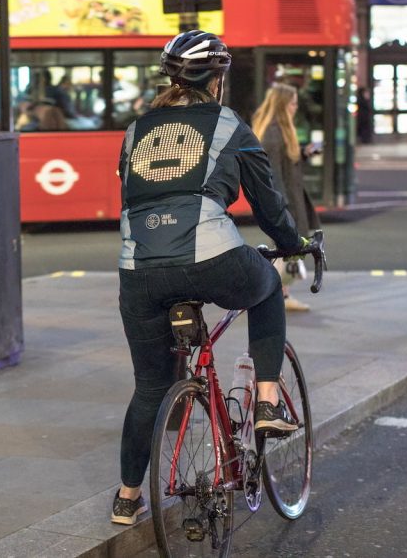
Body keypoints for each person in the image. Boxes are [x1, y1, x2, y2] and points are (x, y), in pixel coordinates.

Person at [111, 30, 307, 524]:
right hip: (212, 257)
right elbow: (268, 204)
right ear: (218, 80)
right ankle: (267, 401)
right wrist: (291, 243)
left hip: (139, 269)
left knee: (149, 388)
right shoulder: (228, 124)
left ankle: (127, 498)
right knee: (267, 286)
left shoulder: (136, 130)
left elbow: (132, 195)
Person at [251, 83, 322, 312]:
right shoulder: (274, 133)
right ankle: (277, 296)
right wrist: (282, 208)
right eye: (292, 103)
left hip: (288, 197)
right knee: (288, 250)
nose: (295, 107)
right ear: (283, 105)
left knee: (289, 250)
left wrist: (304, 152)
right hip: (286, 200)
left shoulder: (278, 129)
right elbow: (273, 173)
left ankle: (282, 294)